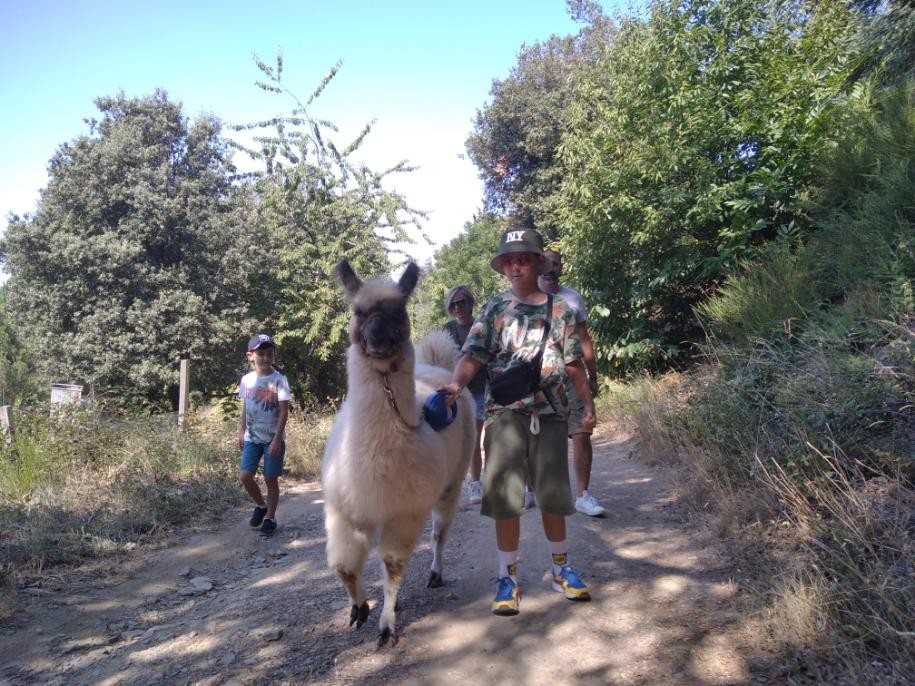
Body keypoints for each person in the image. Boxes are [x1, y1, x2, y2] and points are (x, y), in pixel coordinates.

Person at [441, 227, 597, 616]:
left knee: (553, 495)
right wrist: (456, 386)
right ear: (503, 265)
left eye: (523, 258)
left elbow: (574, 363)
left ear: (537, 262)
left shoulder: (560, 310)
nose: (516, 265)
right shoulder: (495, 309)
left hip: (551, 411)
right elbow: (472, 355)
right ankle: (507, 577)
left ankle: (561, 569)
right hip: (505, 413)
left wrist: (588, 406)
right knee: (506, 498)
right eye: (509, 259)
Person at [538, 248, 605, 517]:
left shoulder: (573, 298)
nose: (552, 268)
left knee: (581, 432)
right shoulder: (527, 297)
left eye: (557, 264)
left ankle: (583, 495)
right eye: (548, 263)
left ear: (561, 268)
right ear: (539, 264)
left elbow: (585, 338)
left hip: (573, 373)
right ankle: (536, 489)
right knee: (541, 435)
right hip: (540, 377)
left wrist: (593, 375)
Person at [238, 333, 291, 535]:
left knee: (270, 478)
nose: (266, 358)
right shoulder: (246, 381)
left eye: (270, 354)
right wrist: (242, 430)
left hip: (272, 439)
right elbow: (245, 407)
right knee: (245, 476)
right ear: (250, 356)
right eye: (261, 354)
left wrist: (277, 439)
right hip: (252, 438)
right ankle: (261, 506)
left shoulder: (279, 380)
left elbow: (284, 412)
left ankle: (270, 517)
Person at [443, 285, 487, 505]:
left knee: (479, 437)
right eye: (454, 303)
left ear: (470, 303)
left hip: (482, 389)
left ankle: (478, 482)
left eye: (462, 302)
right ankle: (473, 483)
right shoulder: (448, 329)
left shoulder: (481, 325)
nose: (458, 307)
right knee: (465, 440)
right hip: (458, 392)